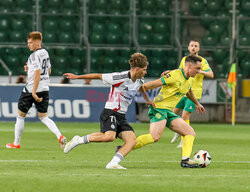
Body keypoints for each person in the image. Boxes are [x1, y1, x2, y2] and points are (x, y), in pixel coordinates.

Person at [63, 53, 153, 169]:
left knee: (132, 141)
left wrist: (148, 100)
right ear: (137, 69)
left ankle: (113, 163)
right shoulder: (120, 77)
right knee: (109, 136)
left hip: (121, 116)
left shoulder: (139, 80)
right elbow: (98, 76)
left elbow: (141, 88)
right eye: (144, 70)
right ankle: (78, 140)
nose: (145, 72)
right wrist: (77, 77)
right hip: (111, 111)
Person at [132, 55, 205, 168]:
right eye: (197, 68)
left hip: (168, 111)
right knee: (154, 137)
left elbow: (188, 91)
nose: (199, 71)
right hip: (159, 108)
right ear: (189, 65)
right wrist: (141, 92)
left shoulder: (189, 79)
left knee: (190, 133)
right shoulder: (174, 75)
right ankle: (127, 146)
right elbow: (151, 85)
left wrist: (197, 103)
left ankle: (185, 160)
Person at [6, 31, 66, 149]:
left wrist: (33, 92)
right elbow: (48, 71)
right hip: (44, 88)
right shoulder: (45, 53)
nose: (29, 45)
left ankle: (16, 143)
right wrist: (29, 68)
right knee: (43, 117)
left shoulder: (33, 56)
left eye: (30, 42)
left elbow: (38, 73)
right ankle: (60, 136)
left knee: (20, 116)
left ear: (38, 42)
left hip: (31, 89)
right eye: (28, 43)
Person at [163, 40, 214, 148]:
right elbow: (180, 71)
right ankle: (178, 131)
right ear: (188, 47)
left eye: (196, 46)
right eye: (192, 45)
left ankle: (184, 138)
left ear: (199, 49)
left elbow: (211, 74)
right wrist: (170, 72)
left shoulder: (202, 61)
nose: (193, 47)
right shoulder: (184, 59)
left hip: (194, 93)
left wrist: (201, 71)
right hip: (183, 90)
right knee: (172, 114)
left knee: (185, 115)